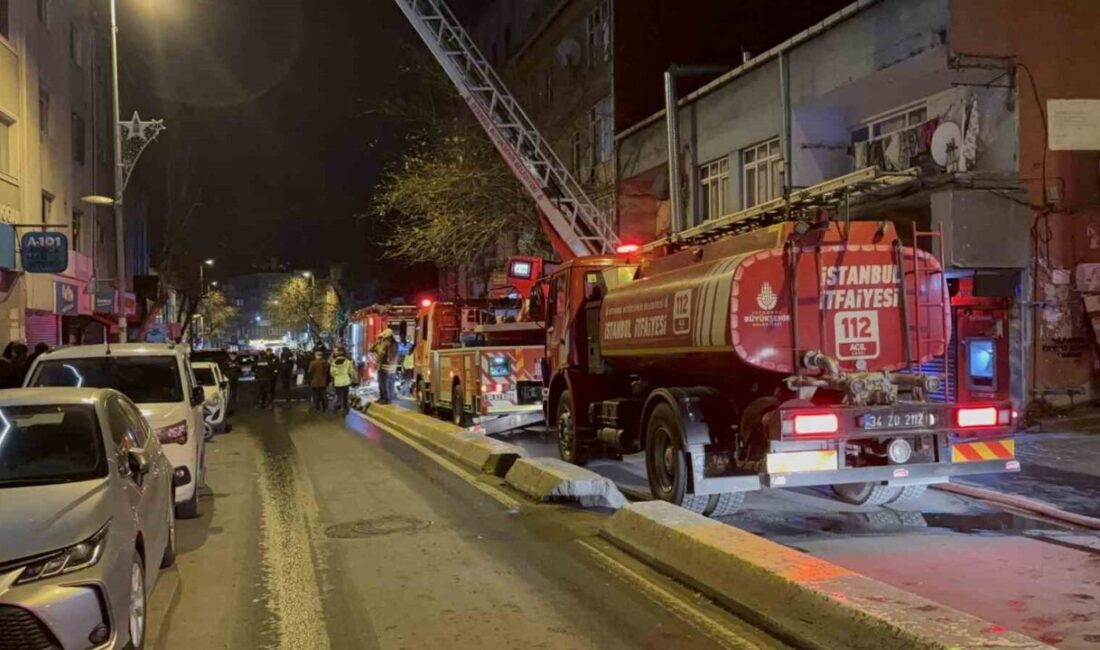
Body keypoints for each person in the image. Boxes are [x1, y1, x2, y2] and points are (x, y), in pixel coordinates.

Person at [371, 329, 399, 405]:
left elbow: (381, 354)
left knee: (384, 383)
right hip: (390, 367)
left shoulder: (386, 343)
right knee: (386, 383)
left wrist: (377, 363)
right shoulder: (394, 343)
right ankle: (384, 398)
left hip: (385, 367)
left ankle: (386, 399)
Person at [329, 347, 354, 413]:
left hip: (338, 382)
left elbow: (332, 373)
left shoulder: (333, 363)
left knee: (339, 395)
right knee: (345, 396)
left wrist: (336, 376)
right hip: (346, 381)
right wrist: (350, 377)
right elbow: (351, 371)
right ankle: (345, 408)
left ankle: (336, 407)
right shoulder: (348, 362)